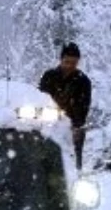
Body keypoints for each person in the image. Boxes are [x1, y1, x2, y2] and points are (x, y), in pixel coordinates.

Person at [38, 42, 92, 170]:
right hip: (48, 123)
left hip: (73, 125)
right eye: (67, 62)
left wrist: (75, 125)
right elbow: (40, 98)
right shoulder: (49, 76)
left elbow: (83, 107)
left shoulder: (83, 81)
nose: (70, 66)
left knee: (72, 161)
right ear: (61, 59)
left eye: (73, 63)